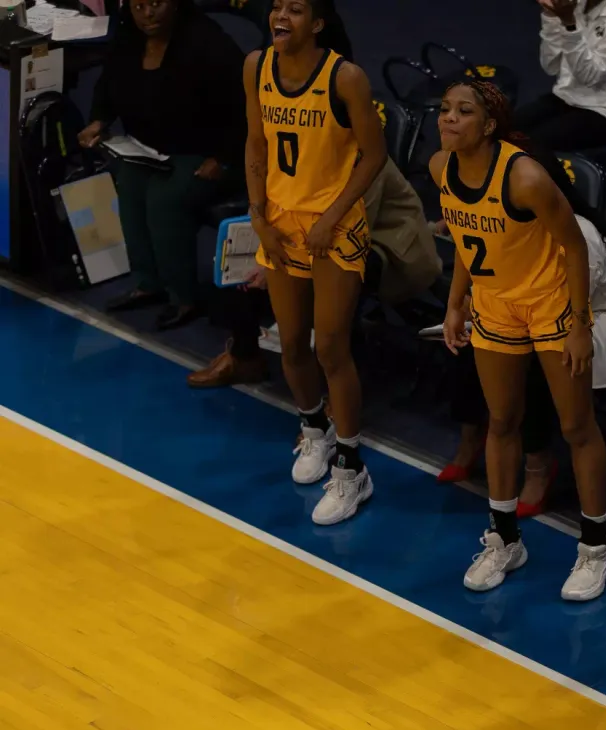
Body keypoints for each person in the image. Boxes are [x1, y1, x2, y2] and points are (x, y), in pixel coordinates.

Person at [432, 80, 606, 600]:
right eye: (444, 109)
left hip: (549, 303)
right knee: (502, 421)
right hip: (495, 304)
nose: (448, 118)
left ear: (489, 126)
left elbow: (575, 246)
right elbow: (467, 237)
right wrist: (455, 302)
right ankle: (505, 539)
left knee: (576, 426)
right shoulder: (440, 167)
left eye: (463, 111)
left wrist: (579, 324)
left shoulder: (525, 176)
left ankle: (596, 548)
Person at [243, 0, 386, 525]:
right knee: (290, 342)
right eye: (277, 6)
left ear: (318, 24)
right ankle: (314, 430)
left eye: (296, 9)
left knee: (329, 346)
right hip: (280, 219)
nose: (281, 15)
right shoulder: (256, 66)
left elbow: (375, 155)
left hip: (334, 225)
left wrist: (333, 215)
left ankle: (351, 469)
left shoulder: (344, 77)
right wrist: (257, 215)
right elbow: (255, 143)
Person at [439, 208, 606, 521]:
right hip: (546, 311)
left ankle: (538, 463)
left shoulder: (578, 233)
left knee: (536, 355)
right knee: (476, 338)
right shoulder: (508, 226)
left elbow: (571, 307)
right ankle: (471, 434)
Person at [187, 156, 440, 389]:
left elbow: (346, 233)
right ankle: (245, 358)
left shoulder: (363, 158)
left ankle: (340, 385)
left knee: (341, 277)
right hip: (316, 235)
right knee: (239, 264)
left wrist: (277, 263)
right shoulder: (294, 146)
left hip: (389, 246)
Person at [80, 0, 245, 331]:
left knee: (164, 198)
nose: (148, 14)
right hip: (147, 149)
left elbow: (245, 107)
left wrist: (224, 158)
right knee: (130, 185)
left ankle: (183, 296)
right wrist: (99, 119)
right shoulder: (128, 38)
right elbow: (108, 85)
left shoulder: (209, 43)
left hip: (206, 153)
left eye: (156, 3)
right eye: (139, 6)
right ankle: (149, 282)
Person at [517, 0, 606, 151]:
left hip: (603, 110)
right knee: (504, 128)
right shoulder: (576, 5)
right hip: (565, 97)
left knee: (528, 147)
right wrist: (551, 17)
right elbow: (551, 66)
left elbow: (589, 77)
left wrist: (570, 25)